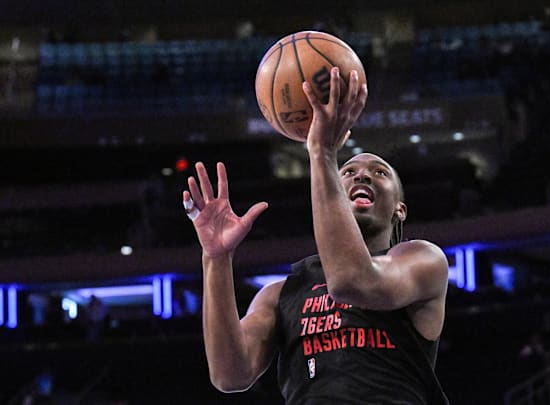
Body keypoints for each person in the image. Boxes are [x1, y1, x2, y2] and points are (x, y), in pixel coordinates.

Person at [182, 67, 451, 404]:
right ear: (333, 192)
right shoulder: (281, 293)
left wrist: (323, 153)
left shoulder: (423, 260)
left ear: (400, 209)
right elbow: (229, 375)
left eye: (379, 173)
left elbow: (353, 282)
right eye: (349, 172)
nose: (362, 176)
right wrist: (216, 259)